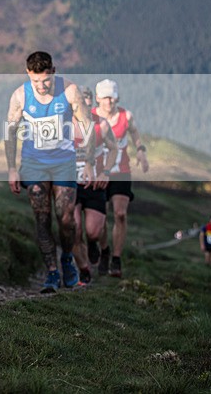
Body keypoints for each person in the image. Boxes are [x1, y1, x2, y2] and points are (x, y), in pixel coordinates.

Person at [5, 51, 94, 293]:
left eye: (45, 80)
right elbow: (10, 133)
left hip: (64, 162)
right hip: (34, 164)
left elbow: (87, 125)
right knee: (42, 218)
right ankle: (52, 272)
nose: (41, 86)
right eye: (36, 81)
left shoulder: (69, 90)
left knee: (66, 219)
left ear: (53, 72)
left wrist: (88, 162)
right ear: (28, 75)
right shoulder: (21, 95)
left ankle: (67, 257)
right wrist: (12, 169)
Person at [93, 78, 149, 278]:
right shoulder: (90, 117)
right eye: (106, 98)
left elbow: (135, 133)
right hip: (98, 172)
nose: (109, 102)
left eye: (113, 98)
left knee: (120, 214)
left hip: (121, 171)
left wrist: (140, 150)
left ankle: (116, 258)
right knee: (100, 219)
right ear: (98, 98)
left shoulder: (126, 116)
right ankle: (105, 250)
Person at [71, 86, 117, 285]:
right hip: (70, 183)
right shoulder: (63, 125)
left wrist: (106, 172)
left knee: (93, 231)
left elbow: (114, 149)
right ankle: (84, 271)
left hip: (95, 183)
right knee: (73, 229)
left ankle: (96, 245)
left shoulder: (102, 125)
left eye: (87, 105)